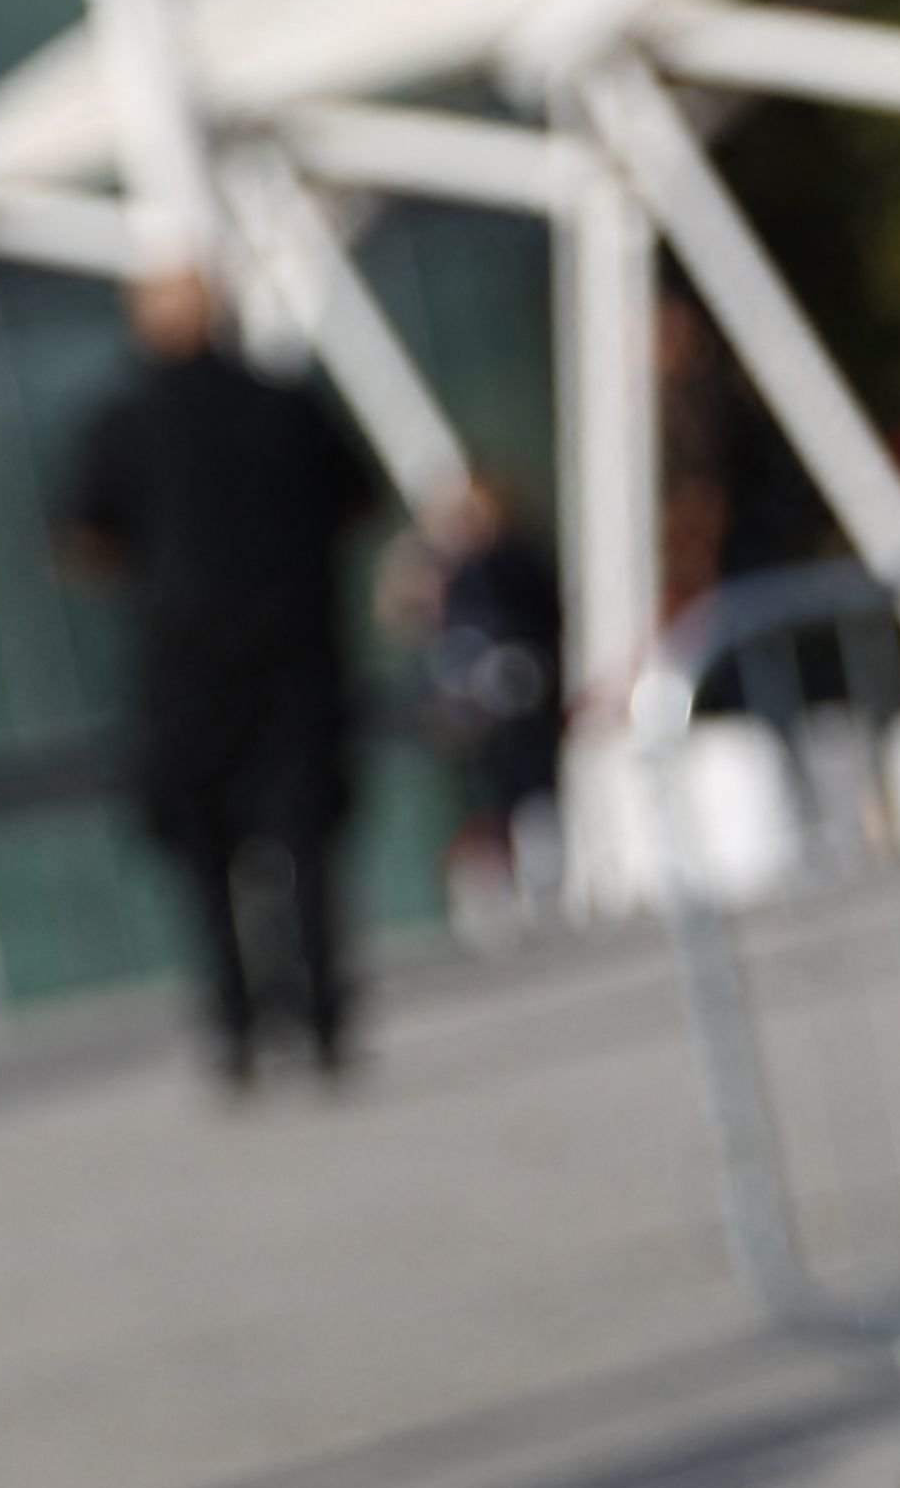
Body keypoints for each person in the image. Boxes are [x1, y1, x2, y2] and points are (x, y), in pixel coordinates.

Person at [56, 262, 384, 1084]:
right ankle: (323, 1018)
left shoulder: (123, 422)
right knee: (305, 839)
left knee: (206, 852)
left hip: (184, 664)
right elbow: (358, 504)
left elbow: (87, 542)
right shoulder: (284, 403)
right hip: (295, 653)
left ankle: (236, 1025)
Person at [386, 469, 569, 939]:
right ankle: (505, 896)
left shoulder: (509, 561)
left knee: (524, 792)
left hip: (518, 704)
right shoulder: (452, 572)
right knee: (496, 796)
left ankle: (540, 891)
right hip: (478, 709)